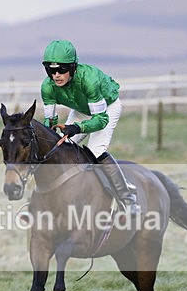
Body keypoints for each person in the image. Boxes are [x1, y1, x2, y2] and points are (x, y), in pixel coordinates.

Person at [40, 40, 141, 215]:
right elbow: (50, 123)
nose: (56, 75)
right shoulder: (47, 87)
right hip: (81, 109)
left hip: (106, 109)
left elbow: (100, 120)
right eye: (51, 70)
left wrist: (77, 128)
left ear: (72, 67)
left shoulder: (89, 80)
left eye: (61, 69)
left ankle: (127, 198)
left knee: (94, 151)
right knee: (60, 148)